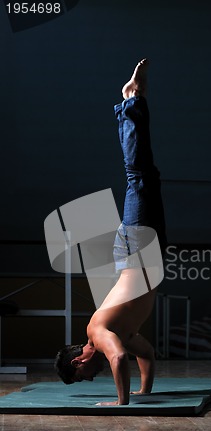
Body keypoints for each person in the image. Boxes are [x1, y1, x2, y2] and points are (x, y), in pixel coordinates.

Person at [54, 59, 167, 406]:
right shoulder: (119, 333)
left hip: (135, 250)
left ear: (79, 362)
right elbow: (145, 353)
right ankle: (130, 103)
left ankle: (131, 100)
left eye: (84, 377)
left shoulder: (98, 334)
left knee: (139, 177)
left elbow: (118, 359)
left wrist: (121, 404)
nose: (92, 378)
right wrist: (143, 391)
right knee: (147, 177)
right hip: (145, 252)